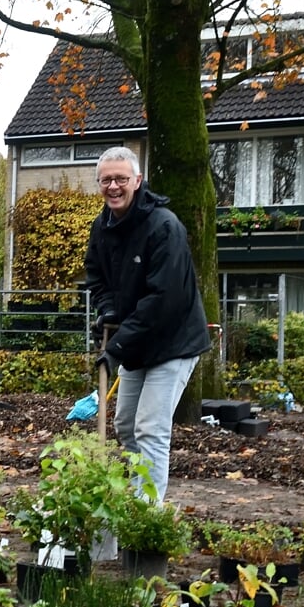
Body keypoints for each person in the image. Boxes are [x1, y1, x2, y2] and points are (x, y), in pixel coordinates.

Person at [83, 146, 211, 503]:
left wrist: (117, 347)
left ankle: (146, 515)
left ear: (137, 181)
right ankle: (130, 503)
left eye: (121, 179)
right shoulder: (103, 226)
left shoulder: (164, 226)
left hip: (173, 341)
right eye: (106, 179)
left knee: (151, 428)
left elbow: (162, 301)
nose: (113, 186)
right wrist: (109, 310)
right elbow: (96, 276)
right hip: (137, 340)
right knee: (126, 425)